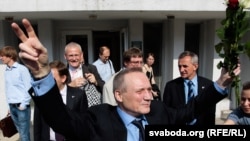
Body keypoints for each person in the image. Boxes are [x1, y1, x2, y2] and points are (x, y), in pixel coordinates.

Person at [11, 18, 240, 141]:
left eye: (148, 89)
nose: (148, 95)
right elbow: (61, 120)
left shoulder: (159, 112)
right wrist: (41, 73)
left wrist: (220, 84)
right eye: (140, 91)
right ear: (118, 95)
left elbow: (191, 110)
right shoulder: (99, 119)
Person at [33, 60, 88, 141]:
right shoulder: (42, 96)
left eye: (52, 78)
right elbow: (37, 125)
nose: (48, 82)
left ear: (63, 78)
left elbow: (83, 124)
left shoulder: (79, 95)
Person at [163, 51, 215, 125]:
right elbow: (166, 114)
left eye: (185, 66)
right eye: (179, 66)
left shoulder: (208, 85)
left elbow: (211, 115)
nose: (181, 70)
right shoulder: (171, 86)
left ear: (195, 66)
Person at [0, 46, 32, 141]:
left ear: (10, 56)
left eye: (2, 56)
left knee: (24, 134)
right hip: (12, 106)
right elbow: (9, 89)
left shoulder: (22, 69)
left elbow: (29, 88)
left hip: (21, 106)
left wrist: (24, 104)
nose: (1, 58)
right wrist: (9, 106)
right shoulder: (7, 71)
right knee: (21, 133)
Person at [64, 42, 105, 107]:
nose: (74, 59)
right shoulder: (62, 71)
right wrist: (70, 85)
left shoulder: (91, 68)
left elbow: (104, 87)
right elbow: (56, 92)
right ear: (65, 56)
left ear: (81, 55)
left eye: (76, 55)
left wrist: (96, 82)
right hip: (70, 110)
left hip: (89, 109)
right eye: (71, 55)